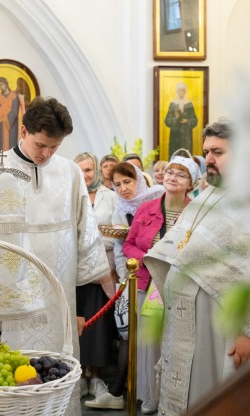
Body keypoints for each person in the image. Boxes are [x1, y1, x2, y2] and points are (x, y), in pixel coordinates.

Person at [0, 97, 111, 415]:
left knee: (54, 377)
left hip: (56, 299)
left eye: (55, 147)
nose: (46, 154)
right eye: (41, 145)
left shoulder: (70, 173)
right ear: (23, 131)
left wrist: (88, 302)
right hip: (7, 307)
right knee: (8, 384)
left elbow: (85, 237)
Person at [144, 120, 250, 416]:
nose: (209, 160)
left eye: (218, 152)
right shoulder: (209, 195)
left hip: (221, 326)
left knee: (213, 391)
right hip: (186, 319)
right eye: (206, 152)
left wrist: (248, 332)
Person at [122, 156, 200, 414]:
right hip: (148, 283)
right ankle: (149, 396)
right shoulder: (147, 209)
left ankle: (175, 398)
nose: (172, 177)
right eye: (169, 172)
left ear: (191, 183)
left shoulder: (196, 212)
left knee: (177, 341)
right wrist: (149, 259)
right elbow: (129, 245)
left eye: (181, 174)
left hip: (180, 285)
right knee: (148, 343)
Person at [85, 162, 164, 410]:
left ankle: (150, 393)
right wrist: (124, 278)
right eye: (117, 184)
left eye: (127, 182)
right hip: (132, 279)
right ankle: (122, 392)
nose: (123, 189)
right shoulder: (120, 209)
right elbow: (121, 248)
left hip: (157, 277)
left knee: (153, 337)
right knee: (128, 334)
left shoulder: (157, 200)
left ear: (139, 179)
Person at [73, 152, 118, 400]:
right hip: (75, 271)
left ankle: (97, 377)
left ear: (97, 171)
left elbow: (116, 233)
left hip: (103, 271)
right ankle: (79, 376)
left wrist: (90, 241)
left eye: (89, 170)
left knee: (99, 326)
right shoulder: (68, 195)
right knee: (78, 324)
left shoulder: (110, 197)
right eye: (80, 170)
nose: (85, 175)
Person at [165, 82, 198, 159]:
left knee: (186, 156)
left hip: (186, 136)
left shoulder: (189, 104)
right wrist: (176, 119)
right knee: (175, 155)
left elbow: (195, 121)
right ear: (177, 91)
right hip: (175, 136)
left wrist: (187, 121)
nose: (181, 92)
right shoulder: (173, 104)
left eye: (183, 90)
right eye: (179, 90)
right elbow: (167, 121)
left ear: (185, 91)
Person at [0, 77, 20, 150]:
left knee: (11, 145)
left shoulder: (14, 96)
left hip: (11, 126)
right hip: (1, 127)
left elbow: (14, 112)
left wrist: (2, 119)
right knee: (1, 147)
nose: (1, 87)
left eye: (2, 84)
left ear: (6, 83)